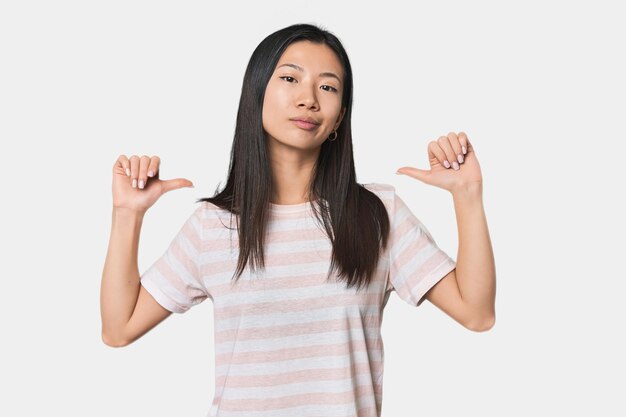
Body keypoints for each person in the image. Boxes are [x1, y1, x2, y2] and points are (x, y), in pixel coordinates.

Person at [100, 23, 496, 417]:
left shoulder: (377, 213)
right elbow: (119, 328)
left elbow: (476, 312)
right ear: (256, 96)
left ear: (339, 118)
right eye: (290, 78)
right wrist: (127, 214)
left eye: (328, 87)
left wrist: (467, 195)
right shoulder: (213, 225)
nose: (309, 99)